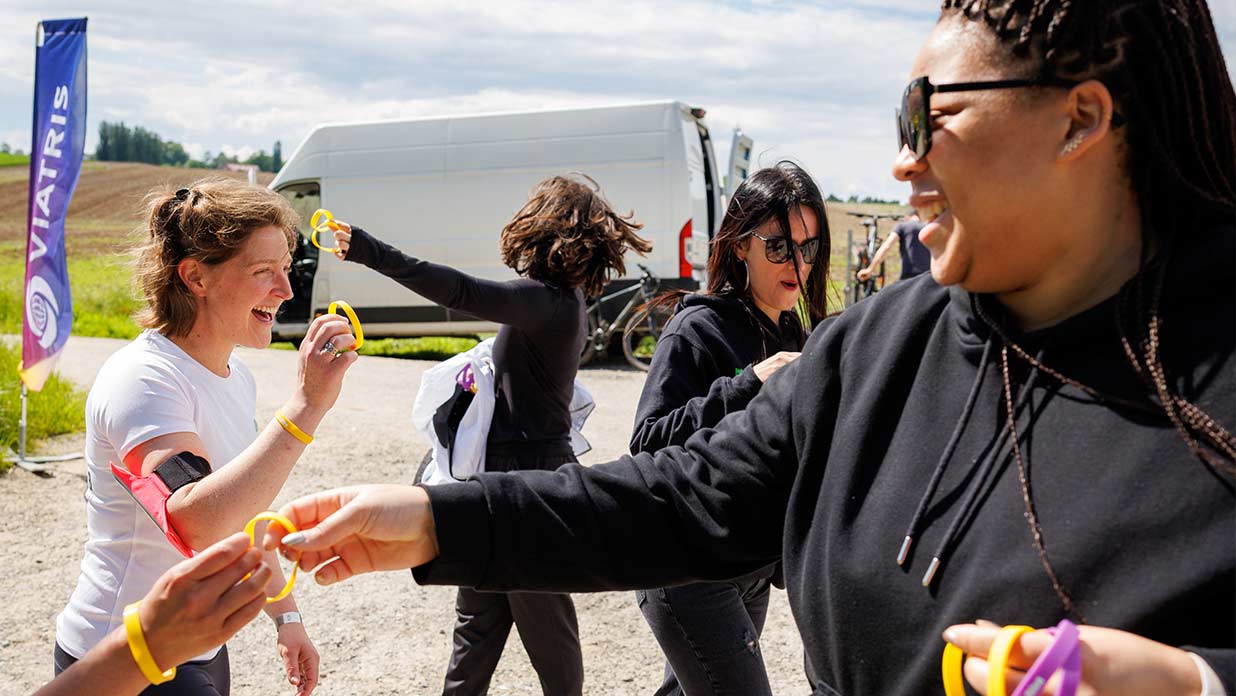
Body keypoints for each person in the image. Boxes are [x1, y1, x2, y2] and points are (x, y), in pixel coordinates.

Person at [270, 1, 1235, 694]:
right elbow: (676, 494)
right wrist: (436, 519)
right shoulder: (876, 348)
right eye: (900, 120)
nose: (902, 159)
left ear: (1081, 119)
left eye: (929, 115)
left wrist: (1194, 681)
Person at [327, 174, 651, 696]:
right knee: (477, 622)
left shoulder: (546, 301)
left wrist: (369, 251)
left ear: (542, 230)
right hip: (505, 475)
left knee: (545, 624)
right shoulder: (558, 301)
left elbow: (459, 291)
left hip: (530, 483)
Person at [56, 178, 358, 696]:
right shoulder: (143, 380)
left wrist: (286, 617)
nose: (285, 291)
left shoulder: (235, 376)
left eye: (286, 269)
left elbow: (241, 514)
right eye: (263, 272)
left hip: (195, 647)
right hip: (121, 652)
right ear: (195, 276)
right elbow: (195, 521)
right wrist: (306, 408)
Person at [629, 161, 828, 696]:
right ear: (740, 246)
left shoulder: (792, 330)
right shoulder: (696, 327)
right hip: (688, 566)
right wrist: (749, 383)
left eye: (808, 248)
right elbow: (647, 443)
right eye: (779, 247)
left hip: (747, 563)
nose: (798, 264)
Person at [37, 534, 271, 696]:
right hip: (116, 641)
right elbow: (198, 520)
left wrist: (286, 617)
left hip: (191, 642)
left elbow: (253, 512)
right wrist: (147, 641)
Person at [857, 211, 931, 282]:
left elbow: (887, 246)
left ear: (907, 217)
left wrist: (870, 269)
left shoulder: (902, 226)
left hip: (909, 278)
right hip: (929, 278)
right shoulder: (928, 227)